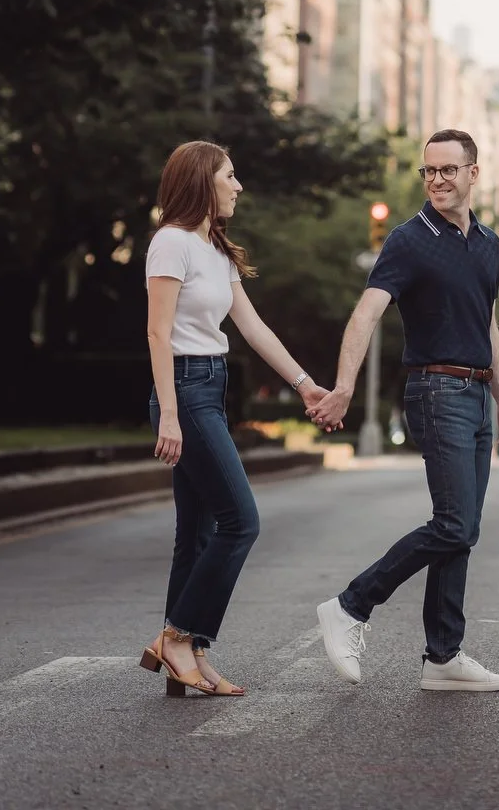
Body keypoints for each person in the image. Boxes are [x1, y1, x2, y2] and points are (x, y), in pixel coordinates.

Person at [312, 129, 499, 692]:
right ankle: (350, 605)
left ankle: (442, 657)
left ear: (473, 173)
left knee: (463, 530)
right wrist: (344, 387)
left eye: (448, 169)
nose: (437, 180)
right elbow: (366, 314)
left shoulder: (489, 243)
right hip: (436, 392)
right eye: (429, 170)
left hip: (477, 395)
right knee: (453, 523)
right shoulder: (409, 240)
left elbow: (487, 325)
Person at [140, 140, 329, 697]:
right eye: (229, 176)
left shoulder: (215, 251)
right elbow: (157, 333)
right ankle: (177, 637)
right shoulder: (170, 243)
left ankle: (190, 655)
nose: (238, 186)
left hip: (210, 388)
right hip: (185, 391)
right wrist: (169, 414)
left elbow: (253, 327)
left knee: (196, 534)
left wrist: (305, 385)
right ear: (203, 181)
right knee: (241, 522)